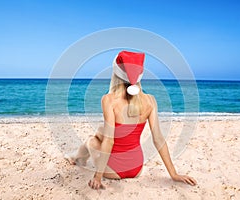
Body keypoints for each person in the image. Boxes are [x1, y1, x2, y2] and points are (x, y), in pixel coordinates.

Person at [65, 50, 197, 190]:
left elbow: (109, 141)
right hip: (136, 169)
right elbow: (158, 139)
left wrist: (98, 177)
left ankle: (76, 158)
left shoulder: (109, 100)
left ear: (116, 73)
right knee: (101, 131)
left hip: (113, 171)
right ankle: (76, 157)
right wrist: (174, 174)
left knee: (92, 140)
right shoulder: (150, 100)